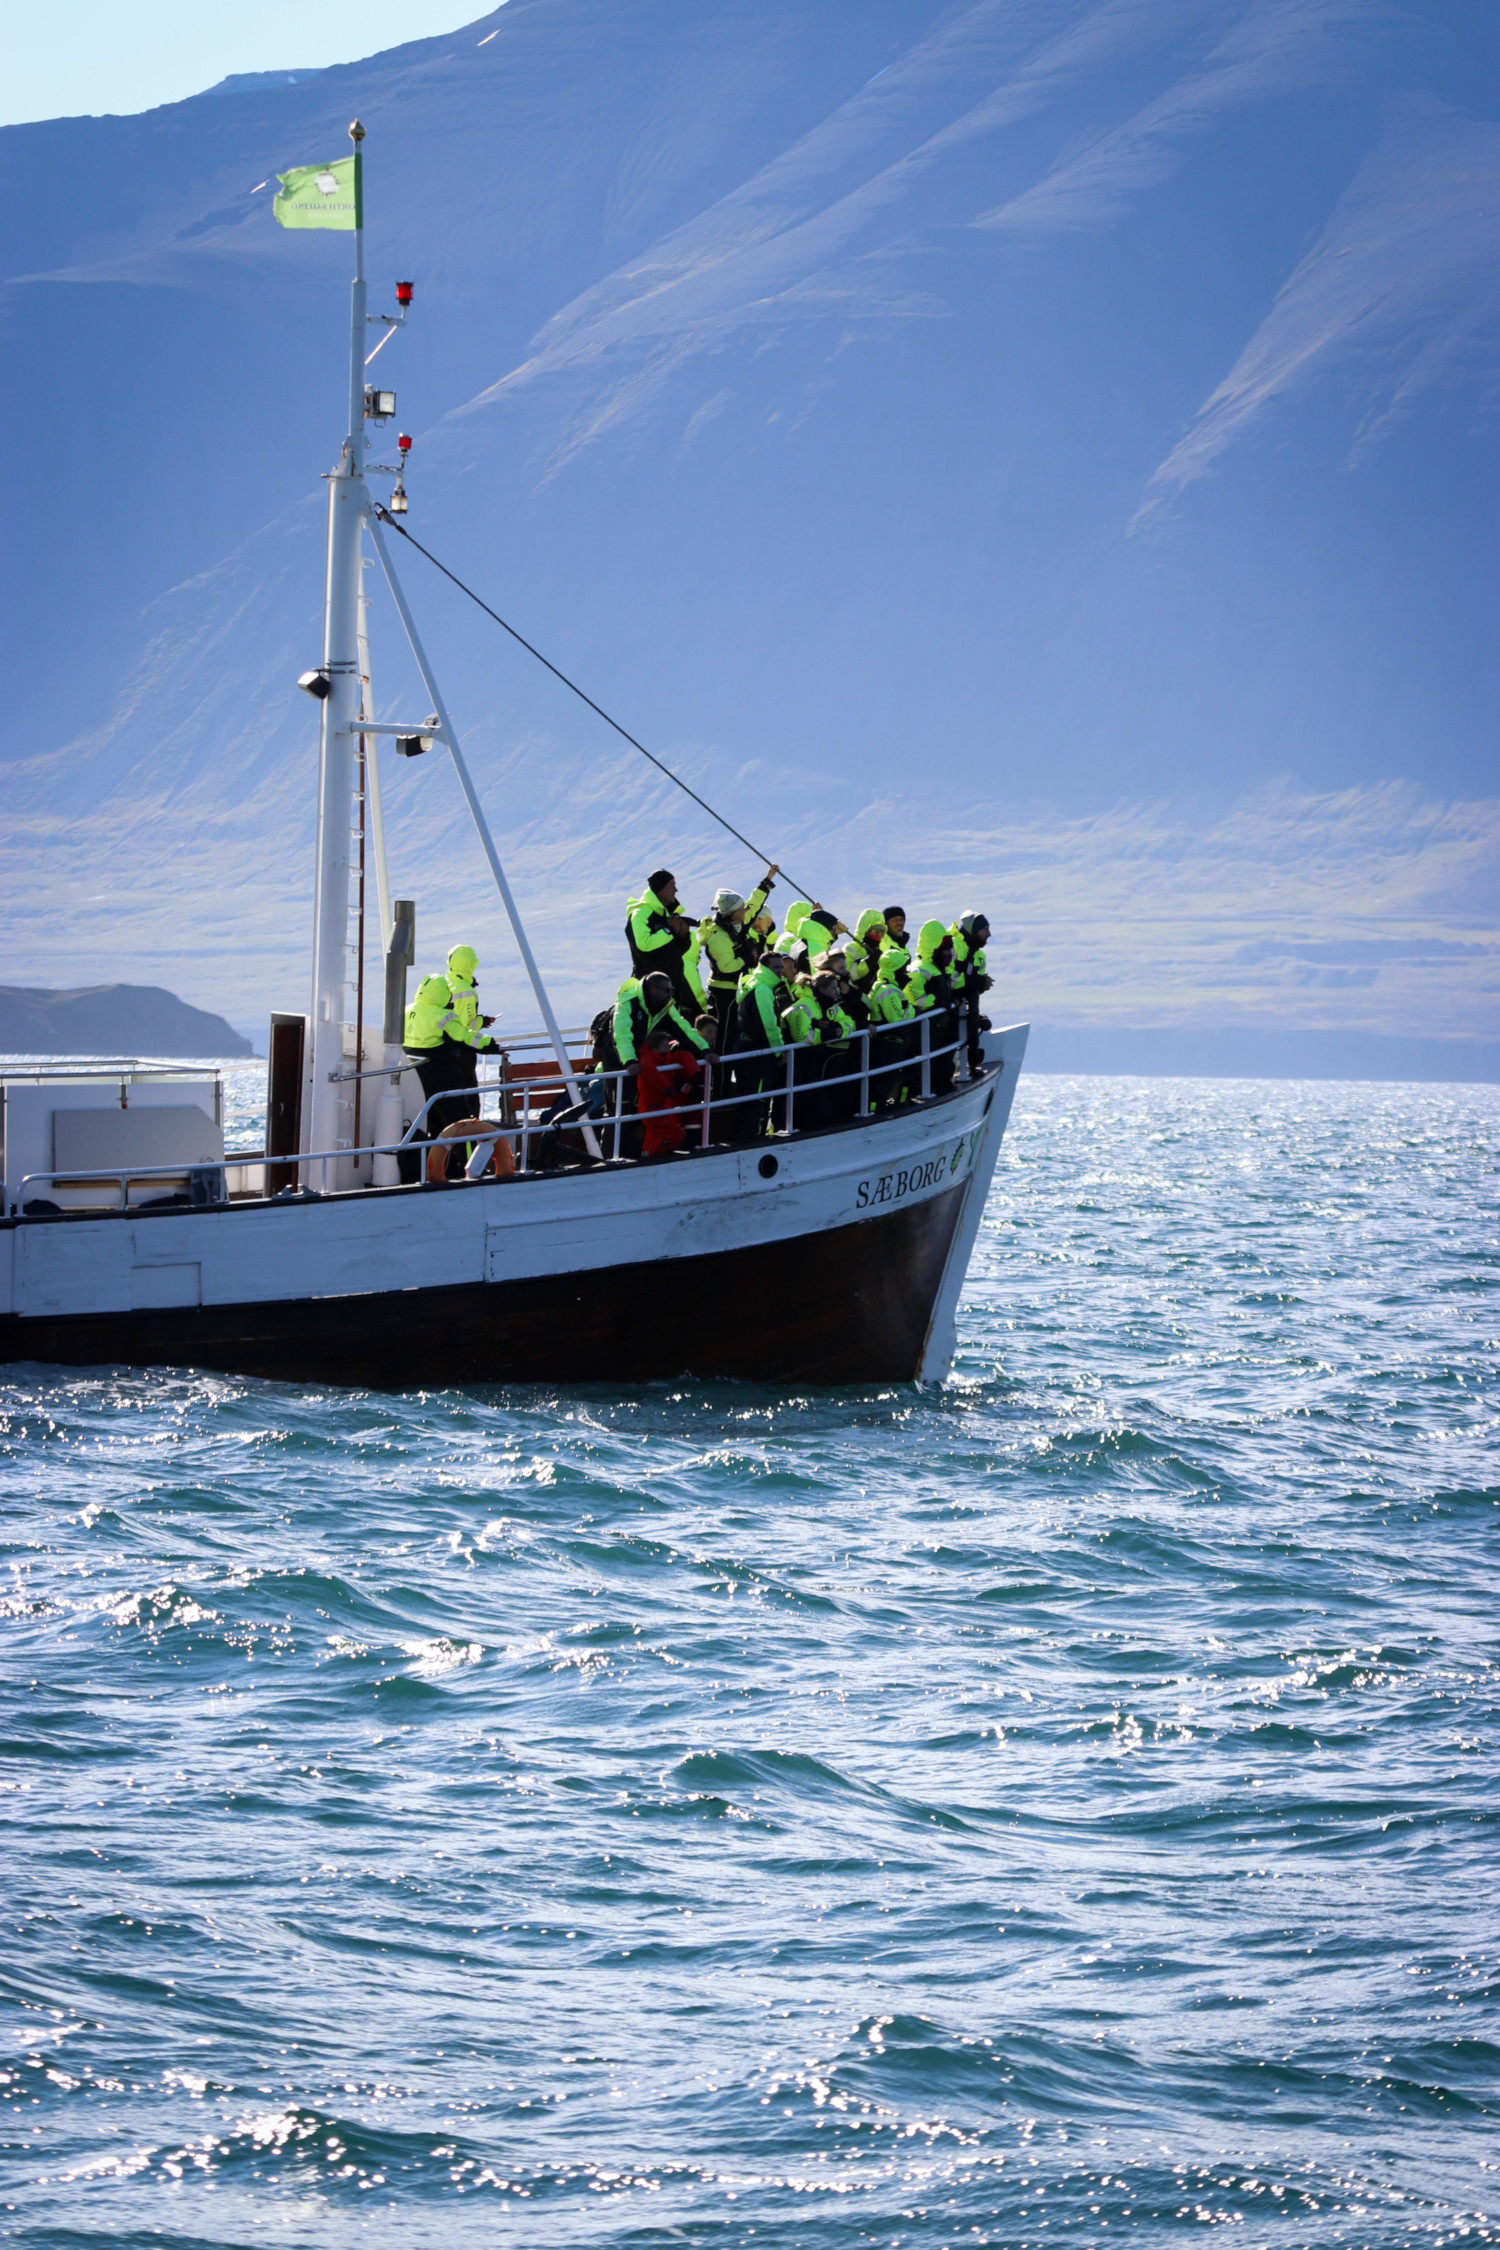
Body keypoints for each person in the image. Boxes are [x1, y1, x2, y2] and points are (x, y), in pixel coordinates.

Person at [403, 945, 496, 1156]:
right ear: (470, 965)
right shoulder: (465, 993)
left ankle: (436, 1162)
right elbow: (465, 1029)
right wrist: (490, 1044)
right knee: (465, 1113)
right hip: (455, 1059)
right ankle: (466, 1161)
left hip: (421, 1070)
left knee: (434, 1118)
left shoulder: (439, 988)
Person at [697, 864, 778, 1056]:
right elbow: (727, 967)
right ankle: (721, 1075)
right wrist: (746, 957)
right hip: (723, 994)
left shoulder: (738, 922)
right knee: (724, 1038)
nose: (746, 909)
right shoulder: (718, 938)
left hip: (737, 990)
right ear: (733, 913)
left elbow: (755, 903)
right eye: (742, 908)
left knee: (737, 1036)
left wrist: (768, 880)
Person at [734, 949, 793, 1140]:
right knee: (756, 1097)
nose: (780, 971)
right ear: (765, 968)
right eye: (775, 967)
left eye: (781, 967)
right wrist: (779, 1052)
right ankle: (750, 1138)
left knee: (748, 1096)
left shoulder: (752, 983)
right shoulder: (762, 989)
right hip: (756, 1053)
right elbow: (769, 1026)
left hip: (747, 1047)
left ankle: (747, 1135)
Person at [625, 869, 701, 1017]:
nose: (676, 890)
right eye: (672, 885)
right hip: (651, 992)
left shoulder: (665, 915)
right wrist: (669, 930)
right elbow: (643, 945)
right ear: (660, 889)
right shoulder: (640, 914)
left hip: (670, 989)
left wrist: (683, 937)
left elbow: (674, 952)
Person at [905, 920, 959, 1093]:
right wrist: (937, 1003)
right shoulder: (919, 969)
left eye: (950, 950)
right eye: (945, 950)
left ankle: (941, 1085)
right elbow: (914, 996)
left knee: (942, 1058)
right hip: (925, 1028)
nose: (948, 954)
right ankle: (918, 1092)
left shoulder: (938, 968)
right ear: (934, 948)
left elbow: (948, 987)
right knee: (923, 1061)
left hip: (940, 1026)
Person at [636, 1029, 703, 1158]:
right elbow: (651, 1073)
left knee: (653, 1135)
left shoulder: (665, 1057)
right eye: (665, 1046)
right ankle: (652, 1153)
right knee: (677, 1135)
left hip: (660, 1106)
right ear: (655, 1048)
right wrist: (667, 1087)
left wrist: (695, 1073)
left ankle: (647, 1154)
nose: (669, 1048)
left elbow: (683, 1055)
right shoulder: (646, 1059)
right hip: (651, 1107)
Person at [866, 940, 915, 1108]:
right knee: (883, 1082)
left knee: (885, 1079)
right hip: (889, 1044)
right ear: (895, 969)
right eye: (903, 969)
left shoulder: (881, 986)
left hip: (887, 1043)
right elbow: (898, 1019)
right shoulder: (888, 991)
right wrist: (912, 1010)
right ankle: (876, 1110)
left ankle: (882, 1106)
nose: (906, 973)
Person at [948, 911, 993, 1074]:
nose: (989, 934)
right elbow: (948, 981)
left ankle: (972, 1061)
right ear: (973, 930)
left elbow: (973, 987)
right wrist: (976, 981)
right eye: (985, 930)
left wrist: (982, 985)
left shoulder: (980, 956)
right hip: (947, 1008)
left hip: (963, 1008)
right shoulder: (951, 946)